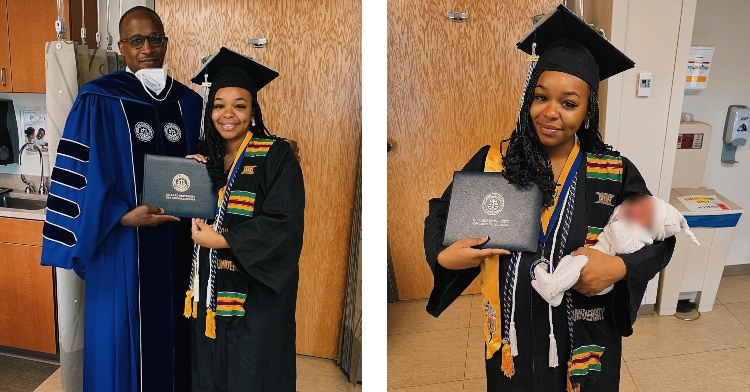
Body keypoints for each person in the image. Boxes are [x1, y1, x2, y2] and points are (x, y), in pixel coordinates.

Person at [423, 6, 676, 391]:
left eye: (569, 103)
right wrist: (445, 256)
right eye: (541, 97)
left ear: (587, 111)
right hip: (515, 332)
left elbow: (661, 238)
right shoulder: (496, 162)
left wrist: (619, 269)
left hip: (586, 336)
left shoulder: (613, 170)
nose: (551, 113)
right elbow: (442, 213)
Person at [40, 6, 201, 391]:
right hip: (122, 247)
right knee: (122, 347)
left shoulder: (188, 103)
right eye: (136, 40)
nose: (147, 48)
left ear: (165, 42)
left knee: (177, 340)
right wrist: (122, 216)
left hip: (179, 246)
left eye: (155, 38)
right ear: (121, 46)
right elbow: (80, 177)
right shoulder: (99, 99)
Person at [184, 48, 304, 391]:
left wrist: (222, 241)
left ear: (253, 112)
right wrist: (193, 175)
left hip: (256, 295)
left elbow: (284, 222)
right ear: (211, 112)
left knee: (252, 371)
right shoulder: (205, 155)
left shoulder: (275, 154)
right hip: (209, 289)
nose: (228, 114)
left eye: (240, 105)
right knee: (209, 370)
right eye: (219, 105)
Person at [532, 194, 700, 306]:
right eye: (636, 203)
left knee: (578, 262)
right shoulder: (632, 221)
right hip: (595, 253)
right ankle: (556, 288)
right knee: (571, 260)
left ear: (651, 228)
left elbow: (623, 247)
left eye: (641, 212)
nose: (633, 208)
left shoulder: (641, 236)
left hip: (601, 270)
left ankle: (553, 287)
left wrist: (619, 223)